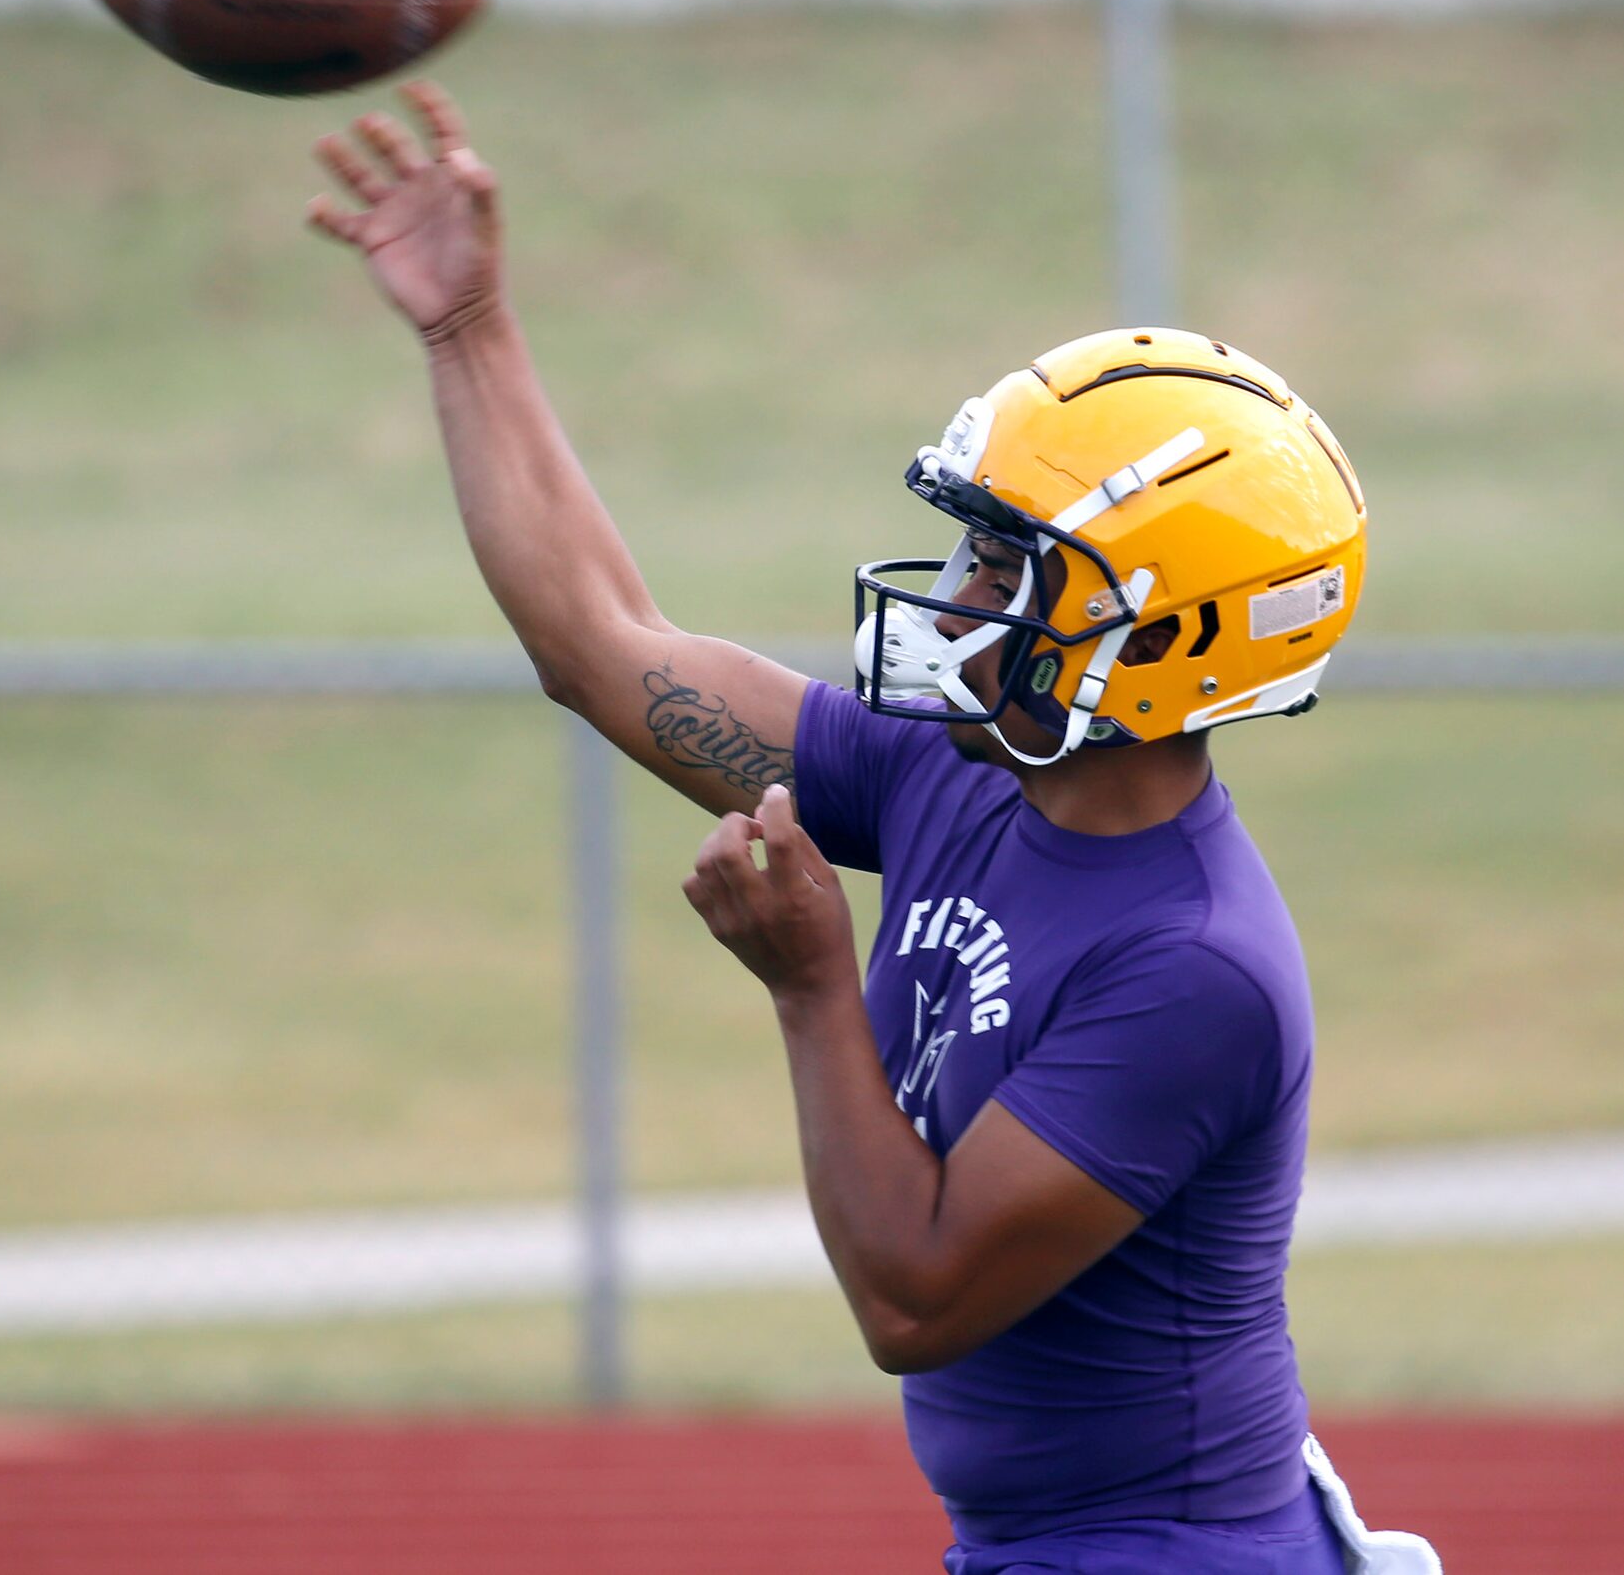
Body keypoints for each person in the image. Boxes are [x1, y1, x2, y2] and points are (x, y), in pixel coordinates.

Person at [306, 82, 1438, 1574]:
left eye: (1009, 569)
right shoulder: (955, 773)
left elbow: (915, 1296)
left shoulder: (1192, 966)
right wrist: (469, 331)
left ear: (1161, 641)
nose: (958, 597)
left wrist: (806, 984)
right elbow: (601, 645)